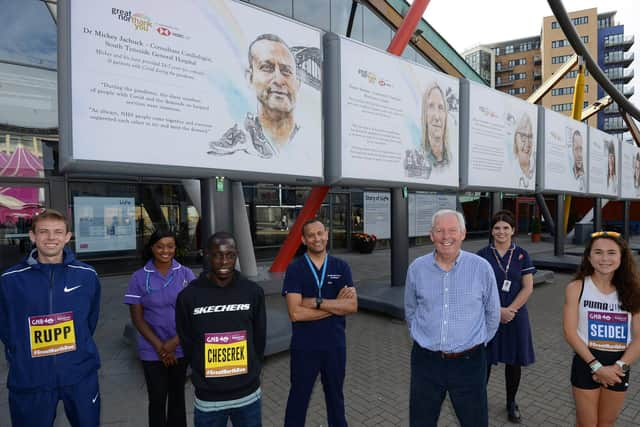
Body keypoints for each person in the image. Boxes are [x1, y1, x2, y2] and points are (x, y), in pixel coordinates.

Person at [0, 209, 101, 426]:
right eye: (43, 232)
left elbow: (90, 320)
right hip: (31, 376)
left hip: (79, 374)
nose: (51, 238)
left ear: (68, 236)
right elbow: (5, 328)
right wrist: (22, 353)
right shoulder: (9, 280)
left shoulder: (87, 275)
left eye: (58, 232)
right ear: (32, 236)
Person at [404, 209, 500, 427]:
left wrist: (475, 343)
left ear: (463, 234)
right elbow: (410, 310)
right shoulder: (417, 269)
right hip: (426, 362)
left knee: (475, 422)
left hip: (469, 363)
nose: (446, 236)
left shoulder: (481, 268)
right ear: (431, 235)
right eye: (439, 230)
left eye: (452, 230)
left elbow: (493, 313)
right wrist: (423, 337)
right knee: (421, 422)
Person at [176, 232, 266, 427]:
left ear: (236, 255)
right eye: (217, 255)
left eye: (230, 255)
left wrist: (253, 368)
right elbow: (187, 340)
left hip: (247, 395)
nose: (224, 261)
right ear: (207, 255)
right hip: (209, 398)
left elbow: (259, 339)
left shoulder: (252, 292)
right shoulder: (189, 296)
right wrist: (201, 368)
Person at [282, 218, 358, 427]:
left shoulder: (341, 267)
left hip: (335, 346)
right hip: (304, 347)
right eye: (311, 235)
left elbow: (351, 307)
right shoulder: (295, 269)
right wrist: (335, 306)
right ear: (304, 240)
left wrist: (317, 303)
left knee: (336, 398)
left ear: (327, 234)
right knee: (299, 398)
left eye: (320, 233)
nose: (317, 238)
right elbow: (295, 313)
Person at [563, 231, 640, 427]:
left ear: (622, 257)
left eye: (611, 253)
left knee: (606, 423)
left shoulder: (634, 291)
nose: (604, 258)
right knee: (586, 423)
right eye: (598, 252)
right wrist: (596, 366)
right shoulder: (576, 287)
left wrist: (617, 367)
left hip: (619, 365)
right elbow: (570, 332)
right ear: (589, 257)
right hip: (586, 360)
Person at [124, 229, 196, 427]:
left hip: (179, 346)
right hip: (151, 348)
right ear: (152, 248)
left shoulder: (186, 274)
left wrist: (174, 342)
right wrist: (161, 348)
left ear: (175, 248)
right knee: (156, 398)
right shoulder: (138, 277)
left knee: (177, 397)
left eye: (170, 246)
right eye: (160, 246)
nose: (165, 251)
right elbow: (137, 319)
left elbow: (193, 314)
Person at [477, 210, 536, 423]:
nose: (501, 231)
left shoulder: (522, 254)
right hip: (487, 316)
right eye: (497, 227)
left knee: (513, 362)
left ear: (513, 230)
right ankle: (478, 401)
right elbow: (477, 289)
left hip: (515, 315)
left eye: (505, 227)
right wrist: (496, 311)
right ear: (492, 231)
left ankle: (511, 403)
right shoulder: (482, 255)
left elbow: (528, 287)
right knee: (483, 360)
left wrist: (509, 310)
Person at [209, 33, 301, 159]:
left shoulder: (312, 144)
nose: (279, 80)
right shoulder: (229, 150)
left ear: (298, 84)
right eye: (267, 68)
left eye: (287, 71)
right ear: (250, 78)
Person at [422, 83, 450, 169]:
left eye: (441, 107)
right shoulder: (421, 157)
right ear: (424, 114)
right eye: (431, 106)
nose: (437, 117)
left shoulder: (450, 159)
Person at [513, 114, 535, 189]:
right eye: (522, 136)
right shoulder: (511, 169)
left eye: (530, 137)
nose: (527, 143)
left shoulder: (537, 168)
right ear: (515, 139)